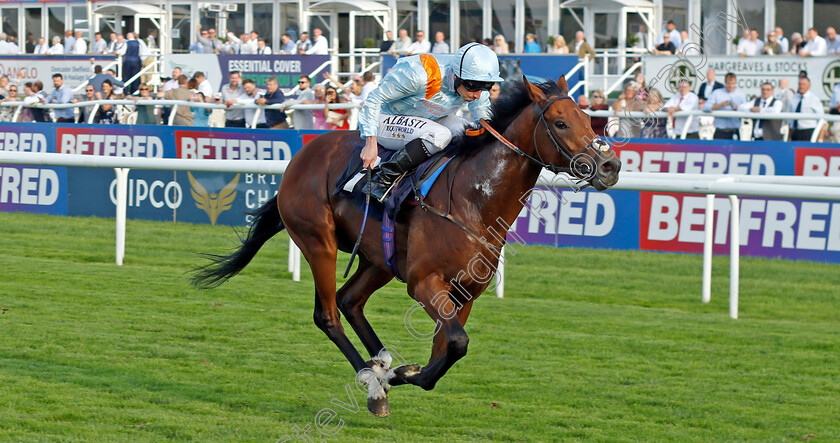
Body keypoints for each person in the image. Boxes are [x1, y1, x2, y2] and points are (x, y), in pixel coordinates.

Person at [358, 42, 503, 201]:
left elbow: (485, 118)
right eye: (473, 87)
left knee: (467, 130)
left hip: (428, 119)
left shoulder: (472, 80)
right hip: (386, 119)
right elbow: (373, 99)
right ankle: (383, 180)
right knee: (440, 135)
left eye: (485, 88)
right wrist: (370, 142)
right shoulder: (419, 75)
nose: (477, 95)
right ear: (455, 76)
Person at [702, 72, 746, 140]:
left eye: (733, 84)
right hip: (720, 131)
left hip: (734, 131)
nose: (730, 86)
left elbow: (746, 110)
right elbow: (705, 107)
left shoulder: (740, 95)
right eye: (728, 83)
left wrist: (738, 109)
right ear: (725, 83)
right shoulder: (717, 93)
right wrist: (720, 105)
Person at [789, 77, 824, 141]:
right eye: (800, 84)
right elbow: (791, 120)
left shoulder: (814, 99)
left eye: (803, 84)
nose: (801, 86)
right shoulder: (794, 98)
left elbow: (822, 120)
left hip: (808, 132)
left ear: (809, 86)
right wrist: (789, 136)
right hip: (795, 132)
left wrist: (820, 138)